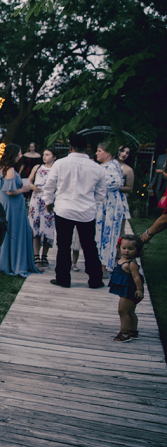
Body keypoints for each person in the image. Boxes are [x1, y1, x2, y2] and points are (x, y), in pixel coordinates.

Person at [45, 134, 107, 289]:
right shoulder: (96, 168)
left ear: (70, 147)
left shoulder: (60, 164)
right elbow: (101, 192)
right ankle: (95, 280)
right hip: (86, 211)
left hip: (64, 210)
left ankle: (63, 278)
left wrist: (48, 202)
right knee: (90, 246)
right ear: (86, 148)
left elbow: (50, 185)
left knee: (63, 245)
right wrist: (94, 205)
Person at [0, 145, 39, 277]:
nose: (20, 156)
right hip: (12, 205)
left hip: (4, 203)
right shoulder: (10, 169)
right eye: (19, 154)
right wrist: (26, 189)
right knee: (13, 231)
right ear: (13, 155)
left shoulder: (1, 167)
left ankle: (1, 261)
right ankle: (12, 263)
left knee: (5, 231)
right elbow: (10, 192)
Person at [94, 142, 128, 275]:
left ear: (108, 153)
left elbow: (115, 183)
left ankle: (104, 267)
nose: (97, 153)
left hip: (109, 205)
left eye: (99, 150)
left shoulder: (111, 166)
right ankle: (101, 265)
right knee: (101, 233)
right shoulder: (106, 166)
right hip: (105, 203)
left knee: (106, 234)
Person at [108, 235, 144, 342]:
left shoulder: (131, 263)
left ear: (137, 250)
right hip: (125, 289)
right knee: (130, 311)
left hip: (130, 291)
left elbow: (137, 278)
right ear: (119, 247)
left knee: (123, 311)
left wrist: (139, 290)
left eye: (130, 249)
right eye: (124, 248)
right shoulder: (122, 259)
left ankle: (124, 334)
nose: (126, 251)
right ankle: (133, 331)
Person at [27, 148, 57, 267]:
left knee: (48, 228)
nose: (44, 157)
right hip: (36, 199)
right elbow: (29, 180)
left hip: (49, 200)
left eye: (47, 155)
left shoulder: (56, 169)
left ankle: (45, 255)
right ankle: (36, 255)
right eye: (44, 154)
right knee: (36, 227)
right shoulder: (38, 167)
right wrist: (32, 186)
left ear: (54, 157)